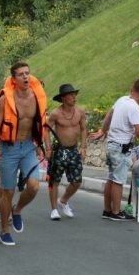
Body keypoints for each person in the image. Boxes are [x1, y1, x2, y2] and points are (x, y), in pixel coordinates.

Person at [0, 62, 49, 246]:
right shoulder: (5, 99)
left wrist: (46, 147)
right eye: (21, 74)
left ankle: (18, 209)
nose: (25, 77)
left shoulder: (36, 98)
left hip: (28, 147)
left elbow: (43, 124)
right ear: (13, 79)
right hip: (9, 149)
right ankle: (4, 231)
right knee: (7, 192)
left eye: (27, 73)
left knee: (34, 186)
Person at [89, 77, 139, 221]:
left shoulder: (122, 100)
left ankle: (107, 209)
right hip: (121, 148)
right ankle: (116, 212)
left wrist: (103, 130)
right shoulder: (134, 107)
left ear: (132, 88)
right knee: (118, 180)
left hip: (111, 144)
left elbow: (109, 115)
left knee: (111, 177)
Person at [46, 84, 87, 220]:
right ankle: (54, 210)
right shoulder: (56, 113)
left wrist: (83, 147)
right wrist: (48, 148)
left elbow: (83, 129)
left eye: (75, 94)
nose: (74, 97)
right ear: (63, 98)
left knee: (77, 181)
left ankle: (63, 201)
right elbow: (46, 129)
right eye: (71, 95)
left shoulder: (80, 112)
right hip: (60, 150)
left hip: (73, 150)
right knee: (54, 180)